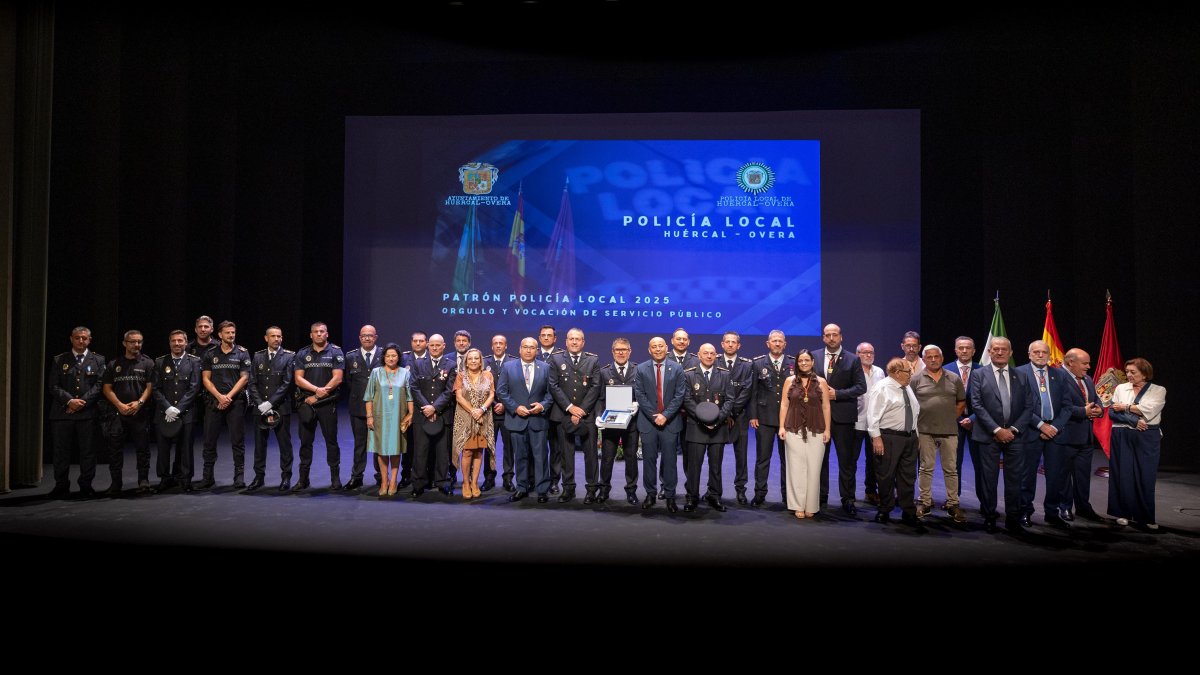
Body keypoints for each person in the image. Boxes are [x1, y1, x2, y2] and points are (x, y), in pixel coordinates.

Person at [969, 337, 1036, 533]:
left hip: (1015, 436)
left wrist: (1013, 429)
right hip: (988, 436)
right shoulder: (978, 375)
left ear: (1010, 352)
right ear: (989, 352)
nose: (999, 352)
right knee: (988, 479)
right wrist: (997, 430)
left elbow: (1029, 406)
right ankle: (990, 516)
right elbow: (977, 405)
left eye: (1003, 349)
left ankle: (1013, 519)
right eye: (996, 349)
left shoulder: (1021, 376)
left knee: (1015, 480)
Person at [813, 323, 867, 514]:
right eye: (827, 335)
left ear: (841, 337)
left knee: (846, 461)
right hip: (819, 417)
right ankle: (820, 497)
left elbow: (861, 387)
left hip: (843, 418)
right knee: (820, 460)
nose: (831, 338)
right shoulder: (814, 356)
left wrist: (837, 394)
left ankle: (848, 499)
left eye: (834, 334)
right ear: (823, 337)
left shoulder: (853, 359)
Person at [1016, 339, 1070, 528]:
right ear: (1029, 354)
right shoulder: (1019, 373)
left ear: (1049, 355)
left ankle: (1052, 513)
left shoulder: (1060, 374)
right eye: (1036, 352)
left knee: (1055, 476)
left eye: (1044, 352)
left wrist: (1054, 427)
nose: (1040, 355)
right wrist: (1040, 425)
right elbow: (1019, 405)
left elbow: (1067, 406)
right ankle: (1025, 511)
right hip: (1031, 432)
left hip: (1055, 433)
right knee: (1027, 475)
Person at [910, 345, 967, 523]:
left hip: (949, 431)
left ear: (942, 359)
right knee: (926, 468)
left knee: (951, 469)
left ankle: (953, 504)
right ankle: (924, 502)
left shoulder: (954, 378)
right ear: (924, 359)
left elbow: (961, 402)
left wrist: (949, 418)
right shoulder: (916, 379)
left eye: (936, 356)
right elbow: (910, 405)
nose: (933, 360)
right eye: (929, 357)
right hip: (924, 431)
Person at [47, 326, 106, 498]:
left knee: (88, 451)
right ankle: (61, 485)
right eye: (78, 338)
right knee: (61, 452)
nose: (81, 341)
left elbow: (99, 385)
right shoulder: (60, 360)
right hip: (62, 412)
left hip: (87, 413)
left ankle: (86, 485)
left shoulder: (98, 360)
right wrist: (70, 401)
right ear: (71, 339)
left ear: (90, 340)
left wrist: (82, 403)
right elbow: (53, 386)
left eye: (84, 338)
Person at [1108, 358, 1166, 530]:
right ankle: (1122, 513)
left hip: (1147, 434)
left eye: (1133, 372)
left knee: (1146, 474)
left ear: (1145, 373)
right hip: (1122, 433)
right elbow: (1112, 412)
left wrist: (1124, 407)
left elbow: (1149, 410)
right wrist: (1133, 420)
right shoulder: (1121, 388)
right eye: (1127, 372)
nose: (1129, 375)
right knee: (1122, 473)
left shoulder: (1158, 390)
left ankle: (1145, 517)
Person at [866, 358, 923, 531]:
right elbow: (872, 415)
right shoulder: (882, 387)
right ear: (897, 373)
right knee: (886, 474)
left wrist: (916, 436)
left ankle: (908, 511)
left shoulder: (906, 387)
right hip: (889, 438)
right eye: (908, 371)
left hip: (909, 438)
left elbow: (913, 413)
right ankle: (885, 509)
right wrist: (876, 438)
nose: (911, 374)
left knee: (908, 476)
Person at [632, 336, 687, 513]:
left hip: (670, 423)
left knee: (670, 461)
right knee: (649, 461)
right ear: (649, 350)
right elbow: (640, 395)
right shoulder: (641, 368)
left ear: (666, 348)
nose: (657, 349)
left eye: (660, 346)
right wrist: (654, 415)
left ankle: (670, 496)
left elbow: (680, 395)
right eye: (654, 347)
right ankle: (650, 494)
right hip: (648, 422)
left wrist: (666, 415)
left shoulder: (677, 368)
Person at [497, 337, 554, 503]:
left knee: (541, 456)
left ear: (537, 350)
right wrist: (515, 407)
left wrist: (542, 406)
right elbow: (501, 391)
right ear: (519, 349)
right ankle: (521, 487)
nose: (528, 350)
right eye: (525, 347)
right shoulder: (508, 367)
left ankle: (542, 490)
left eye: (532, 347)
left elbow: (551, 393)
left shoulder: (546, 368)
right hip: (517, 420)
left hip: (538, 420)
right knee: (520, 456)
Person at [547, 328, 601, 503]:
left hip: (586, 414)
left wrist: (581, 410)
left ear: (583, 342)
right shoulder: (556, 359)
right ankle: (568, 489)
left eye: (578, 339)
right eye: (571, 339)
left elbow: (595, 387)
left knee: (591, 454)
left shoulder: (592, 360)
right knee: (566, 454)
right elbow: (553, 386)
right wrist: (570, 408)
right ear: (566, 341)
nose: (574, 342)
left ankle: (591, 490)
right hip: (563, 413)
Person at [198, 320, 251, 491]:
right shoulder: (210, 353)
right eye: (227, 333)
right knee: (209, 440)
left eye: (233, 332)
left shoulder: (242, 352)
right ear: (220, 335)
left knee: (237, 440)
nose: (231, 335)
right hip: (214, 402)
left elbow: (244, 378)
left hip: (235, 402)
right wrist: (219, 397)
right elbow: (205, 379)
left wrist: (228, 397)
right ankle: (207, 477)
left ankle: (239, 477)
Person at [101, 330, 155, 495]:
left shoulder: (148, 363)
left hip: (140, 413)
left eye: (139, 342)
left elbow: (150, 387)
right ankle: (116, 483)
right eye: (132, 342)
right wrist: (119, 405)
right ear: (125, 343)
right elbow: (106, 388)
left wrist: (139, 403)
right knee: (115, 450)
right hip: (118, 413)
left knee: (143, 449)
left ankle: (143, 481)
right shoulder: (114, 364)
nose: (136, 345)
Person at [680, 343, 734, 512]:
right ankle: (692, 497)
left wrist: (717, 420)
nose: (709, 356)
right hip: (696, 426)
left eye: (712, 353)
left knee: (716, 466)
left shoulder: (724, 374)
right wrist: (704, 419)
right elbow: (686, 400)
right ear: (699, 355)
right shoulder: (689, 374)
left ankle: (714, 496)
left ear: (716, 355)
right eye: (705, 353)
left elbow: (730, 400)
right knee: (694, 466)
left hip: (718, 428)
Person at [778, 349, 831, 519]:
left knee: (814, 468)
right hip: (793, 427)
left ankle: (811, 505)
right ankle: (797, 505)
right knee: (795, 467)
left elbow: (826, 407)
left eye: (807, 360)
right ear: (797, 363)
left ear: (812, 362)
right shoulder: (789, 381)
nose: (804, 363)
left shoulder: (821, 382)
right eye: (800, 360)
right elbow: (784, 405)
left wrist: (828, 429)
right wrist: (781, 427)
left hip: (817, 428)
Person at [292, 321, 345, 491]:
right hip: (307, 403)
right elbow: (298, 379)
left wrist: (318, 395)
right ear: (311, 335)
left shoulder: (335, 351)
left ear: (327, 334)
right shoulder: (302, 353)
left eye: (322, 331)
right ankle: (303, 479)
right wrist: (316, 391)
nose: (319, 334)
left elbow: (338, 378)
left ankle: (335, 478)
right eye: (316, 331)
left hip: (327, 403)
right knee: (305, 442)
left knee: (331, 442)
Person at [1054, 348, 1104, 521]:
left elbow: (1096, 399)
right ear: (1070, 362)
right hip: (1066, 436)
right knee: (1064, 475)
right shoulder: (1057, 377)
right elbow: (1058, 406)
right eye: (1085, 363)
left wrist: (1099, 409)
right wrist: (1083, 411)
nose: (1088, 367)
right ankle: (1065, 507)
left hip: (1086, 437)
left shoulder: (1087, 379)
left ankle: (1083, 507)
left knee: (1083, 476)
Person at [151, 330, 201, 493]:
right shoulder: (160, 362)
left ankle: (185, 479)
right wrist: (167, 407)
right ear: (169, 343)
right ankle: (165, 479)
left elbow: (194, 388)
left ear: (186, 343)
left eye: (180, 341)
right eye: (174, 341)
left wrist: (178, 409)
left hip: (186, 413)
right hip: (164, 413)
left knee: (186, 448)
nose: (177, 343)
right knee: (163, 448)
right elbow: (156, 388)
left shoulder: (194, 361)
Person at [749, 330, 795, 507]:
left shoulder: (793, 363)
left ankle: (787, 496)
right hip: (764, 417)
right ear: (767, 343)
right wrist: (753, 415)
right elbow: (753, 391)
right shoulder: (758, 363)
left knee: (788, 460)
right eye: (774, 341)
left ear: (785, 344)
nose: (777, 343)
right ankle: (760, 493)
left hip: (788, 419)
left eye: (780, 341)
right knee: (763, 458)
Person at [247, 326, 295, 491]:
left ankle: (286, 477)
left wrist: (271, 403)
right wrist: (261, 403)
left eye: (279, 336)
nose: (276, 339)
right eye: (273, 336)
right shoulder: (258, 356)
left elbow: (287, 383)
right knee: (259, 445)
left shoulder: (289, 356)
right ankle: (258, 477)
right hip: (260, 408)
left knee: (284, 445)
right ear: (266, 338)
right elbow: (252, 382)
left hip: (281, 407)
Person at [409, 333, 456, 497]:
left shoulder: (451, 365)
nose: (435, 348)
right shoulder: (418, 364)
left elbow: (449, 391)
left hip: (442, 414)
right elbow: (414, 387)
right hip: (422, 414)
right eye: (432, 345)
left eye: (438, 345)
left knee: (443, 452)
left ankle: (443, 482)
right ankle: (419, 484)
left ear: (444, 346)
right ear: (428, 345)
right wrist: (427, 408)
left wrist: (434, 408)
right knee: (420, 451)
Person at [364, 343, 413, 496]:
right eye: (388, 356)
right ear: (384, 357)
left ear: (398, 357)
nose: (391, 358)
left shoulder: (405, 373)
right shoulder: (376, 372)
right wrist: (369, 416)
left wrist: (411, 414)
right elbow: (369, 396)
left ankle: (393, 481)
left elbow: (410, 397)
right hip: (380, 417)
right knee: (382, 450)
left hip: (399, 417)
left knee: (396, 449)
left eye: (394, 356)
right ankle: (384, 481)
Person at [597, 338, 639, 504]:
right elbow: (600, 398)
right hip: (611, 423)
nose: (621, 353)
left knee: (631, 458)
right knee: (607, 458)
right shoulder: (604, 372)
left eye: (624, 349)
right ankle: (604, 490)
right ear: (612, 352)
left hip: (632, 423)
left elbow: (643, 394)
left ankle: (631, 491)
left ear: (630, 351)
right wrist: (599, 416)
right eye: (617, 350)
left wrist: (638, 404)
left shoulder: (638, 370)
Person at [453, 347, 494, 499]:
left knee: (478, 451)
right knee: (467, 451)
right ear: (466, 361)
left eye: (476, 358)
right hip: (465, 418)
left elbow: (491, 395)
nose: (473, 361)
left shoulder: (488, 375)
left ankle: (475, 483)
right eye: (470, 358)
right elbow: (459, 397)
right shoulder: (460, 376)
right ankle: (465, 483)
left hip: (483, 417)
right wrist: (473, 411)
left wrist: (481, 410)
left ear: (481, 361)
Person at [344, 324, 381, 491]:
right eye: (364, 335)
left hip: (380, 408)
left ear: (375, 337)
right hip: (358, 407)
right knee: (360, 444)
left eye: (370, 335)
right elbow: (349, 382)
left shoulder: (384, 355)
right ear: (360, 338)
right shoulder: (350, 357)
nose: (367, 338)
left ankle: (381, 477)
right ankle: (357, 477)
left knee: (379, 445)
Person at [719, 331, 754, 505]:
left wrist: (731, 413)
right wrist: (724, 414)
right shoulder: (714, 361)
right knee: (715, 457)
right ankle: (713, 490)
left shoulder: (747, 365)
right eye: (728, 341)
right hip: (718, 418)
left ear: (738, 345)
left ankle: (741, 490)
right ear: (722, 344)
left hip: (739, 417)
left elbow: (747, 391)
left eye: (734, 342)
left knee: (741, 457)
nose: (731, 344)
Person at [852, 342, 886, 506]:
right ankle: (849, 493)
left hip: (875, 423)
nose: (868, 355)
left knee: (874, 460)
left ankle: (871, 491)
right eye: (865, 352)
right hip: (856, 421)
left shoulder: (879, 372)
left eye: (871, 352)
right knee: (851, 460)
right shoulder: (852, 370)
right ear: (857, 354)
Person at [482, 335, 515, 491]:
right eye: (495, 343)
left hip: (508, 412)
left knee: (509, 447)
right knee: (489, 447)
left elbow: (517, 387)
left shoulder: (514, 362)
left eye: (501, 343)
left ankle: (508, 478)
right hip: (490, 411)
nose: (498, 346)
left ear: (506, 346)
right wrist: (495, 404)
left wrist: (505, 405)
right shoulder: (484, 362)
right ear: (492, 346)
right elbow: (481, 388)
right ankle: (489, 478)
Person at [951, 336, 982, 502]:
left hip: (978, 423)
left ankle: (985, 502)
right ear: (955, 350)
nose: (964, 351)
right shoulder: (945, 370)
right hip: (953, 423)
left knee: (980, 464)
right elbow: (943, 400)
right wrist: (957, 418)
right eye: (960, 348)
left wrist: (973, 419)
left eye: (968, 348)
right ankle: (953, 500)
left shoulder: (983, 370)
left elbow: (988, 400)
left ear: (974, 351)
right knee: (953, 463)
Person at [399, 331, 430, 487]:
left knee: (427, 443)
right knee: (408, 443)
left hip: (427, 406)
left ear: (427, 343)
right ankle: (406, 475)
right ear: (411, 342)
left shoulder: (432, 358)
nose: (418, 343)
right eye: (415, 341)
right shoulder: (403, 359)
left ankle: (427, 475)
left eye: (421, 341)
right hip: (407, 407)